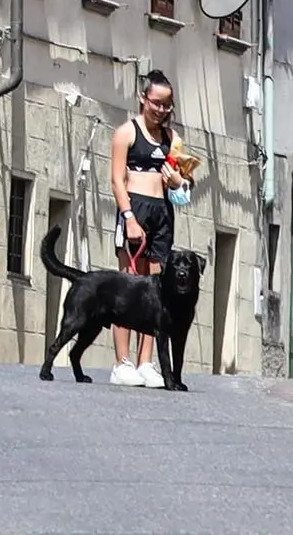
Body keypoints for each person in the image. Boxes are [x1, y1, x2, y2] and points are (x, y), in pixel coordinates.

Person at [110, 69, 186, 388]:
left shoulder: (173, 140)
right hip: (135, 209)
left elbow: (182, 187)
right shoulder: (126, 133)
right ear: (143, 99)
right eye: (156, 103)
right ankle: (122, 362)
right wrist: (128, 217)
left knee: (157, 291)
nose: (161, 111)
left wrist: (179, 181)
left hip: (162, 213)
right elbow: (116, 179)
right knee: (129, 286)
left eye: (167, 105)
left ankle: (146, 361)